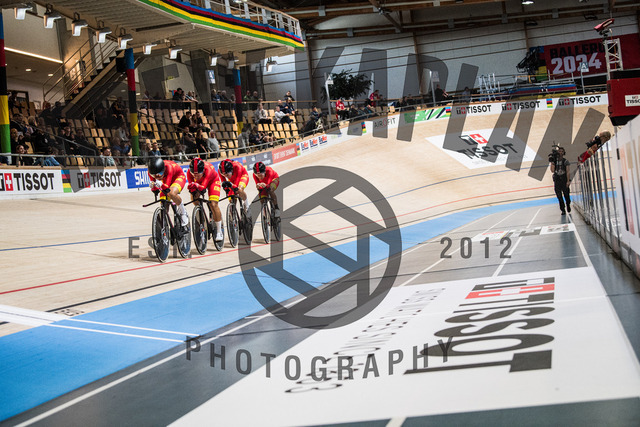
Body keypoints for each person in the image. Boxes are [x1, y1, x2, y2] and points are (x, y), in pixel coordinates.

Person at [147, 157, 190, 232]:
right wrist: (153, 188)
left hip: (177, 177)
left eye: (160, 173)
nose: (157, 177)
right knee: (164, 203)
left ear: (163, 169)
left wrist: (160, 184)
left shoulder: (169, 167)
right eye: (154, 175)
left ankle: (183, 212)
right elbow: (155, 187)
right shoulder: (151, 172)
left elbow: (167, 187)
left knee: (171, 193)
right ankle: (164, 228)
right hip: (165, 181)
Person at [187, 157, 224, 242]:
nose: (196, 176)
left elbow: (203, 188)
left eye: (198, 174)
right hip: (200, 183)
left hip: (212, 181)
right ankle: (202, 217)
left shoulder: (208, 170)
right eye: (194, 174)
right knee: (193, 198)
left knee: (213, 204)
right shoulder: (189, 172)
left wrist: (196, 186)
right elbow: (191, 187)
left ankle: (219, 231)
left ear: (203, 170)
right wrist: (193, 190)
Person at [549, 146, 571, 215]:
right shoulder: (555, 161)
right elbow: (552, 170)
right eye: (559, 151)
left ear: (564, 153)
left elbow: (568, 171)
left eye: (562, 151)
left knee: (566, 195)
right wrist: (552, 162)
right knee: (559, 196)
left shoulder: (565, 161)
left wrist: (568, 181)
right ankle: (563, 209)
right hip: (557, 180)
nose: (560, 153)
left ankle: (568, 204)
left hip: (564, 179)